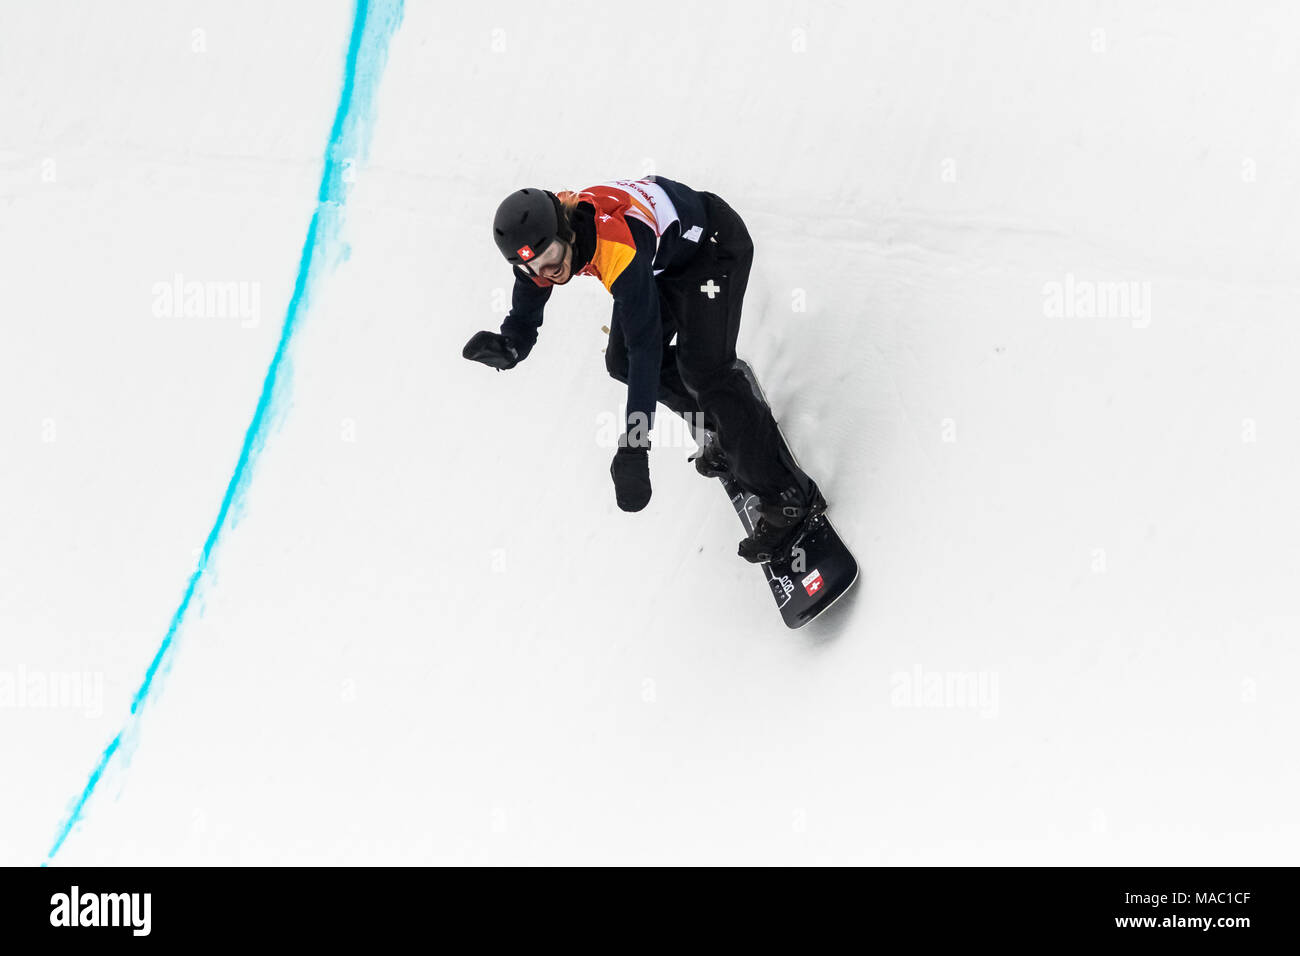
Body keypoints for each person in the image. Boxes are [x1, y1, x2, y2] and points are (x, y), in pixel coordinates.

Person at [463, 176, 823, 563]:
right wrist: (513, 343)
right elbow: (531, 295)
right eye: (530, 264)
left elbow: (645, 350)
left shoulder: (614, 246)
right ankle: (727, 425)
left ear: (564, 230)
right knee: (618, 362)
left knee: (706, 372)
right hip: (663, 265)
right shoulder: (543, 250)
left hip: (711, 251)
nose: (548, 271)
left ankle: (788, 498)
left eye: (550, 255)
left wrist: (635, 445)